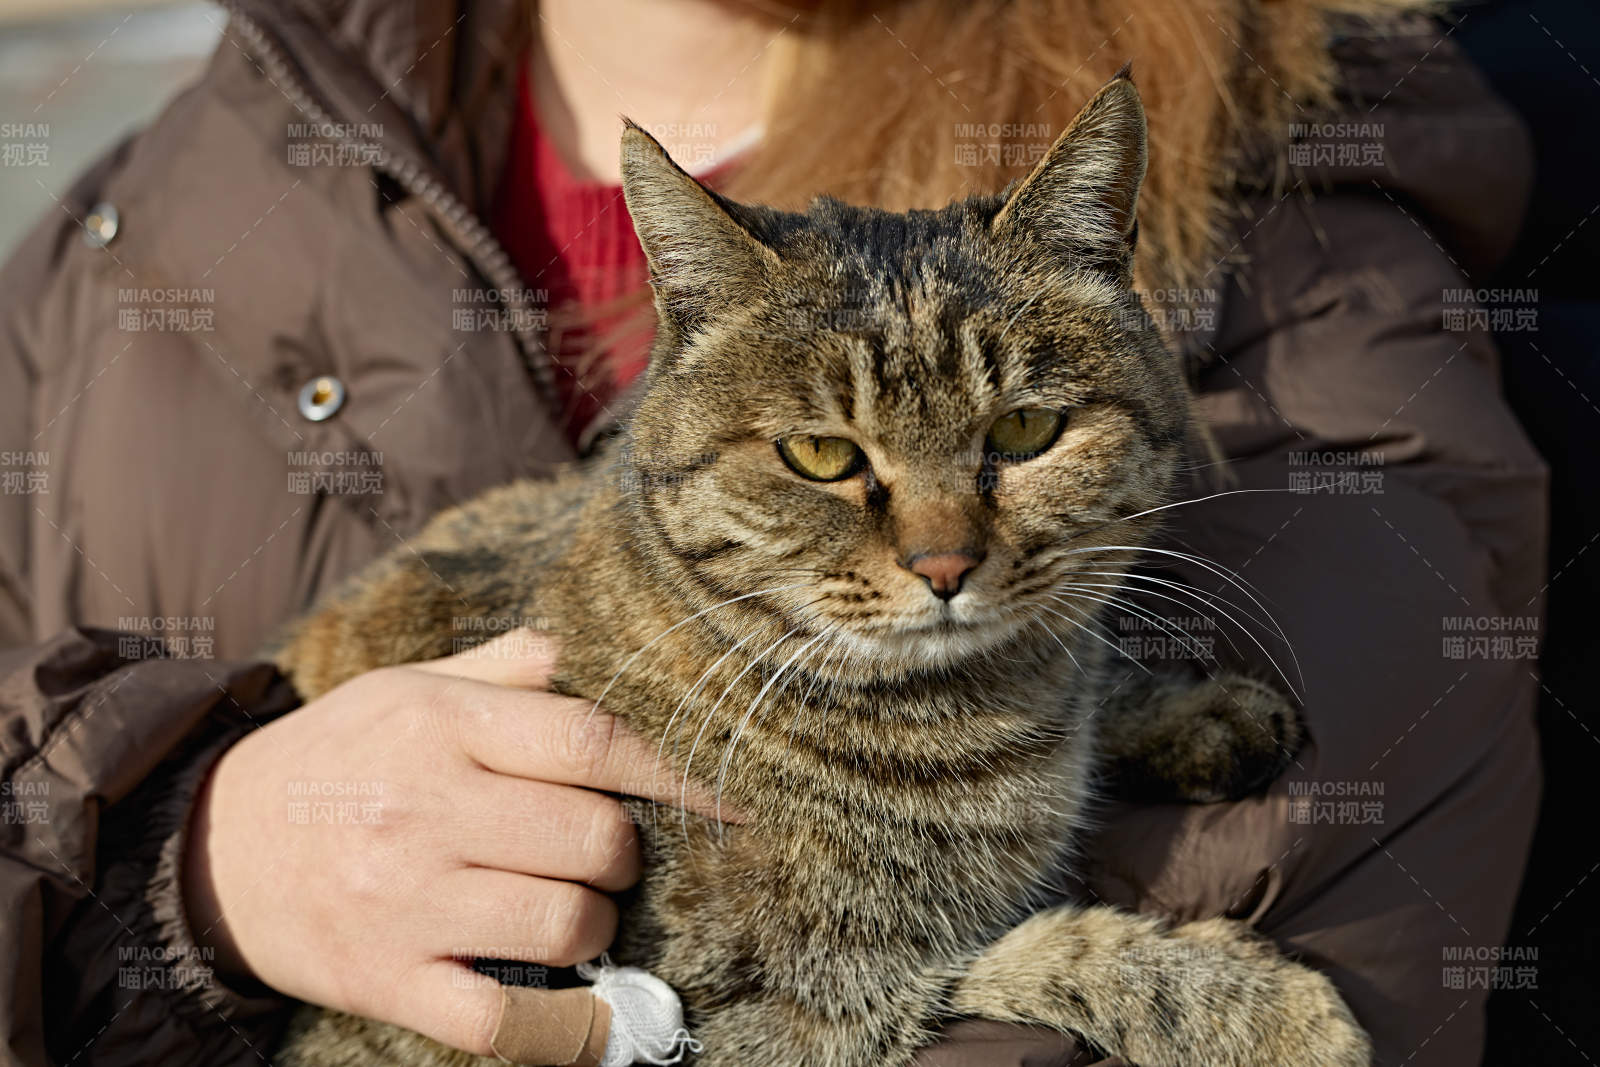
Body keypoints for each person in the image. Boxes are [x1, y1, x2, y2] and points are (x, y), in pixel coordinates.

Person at [0, 0, 1547, 1064]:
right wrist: (188, 864)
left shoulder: (1297, 203)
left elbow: (1335, 845)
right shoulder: (114, 236)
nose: (942, 546)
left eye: (1015, 444)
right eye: (828, 456)